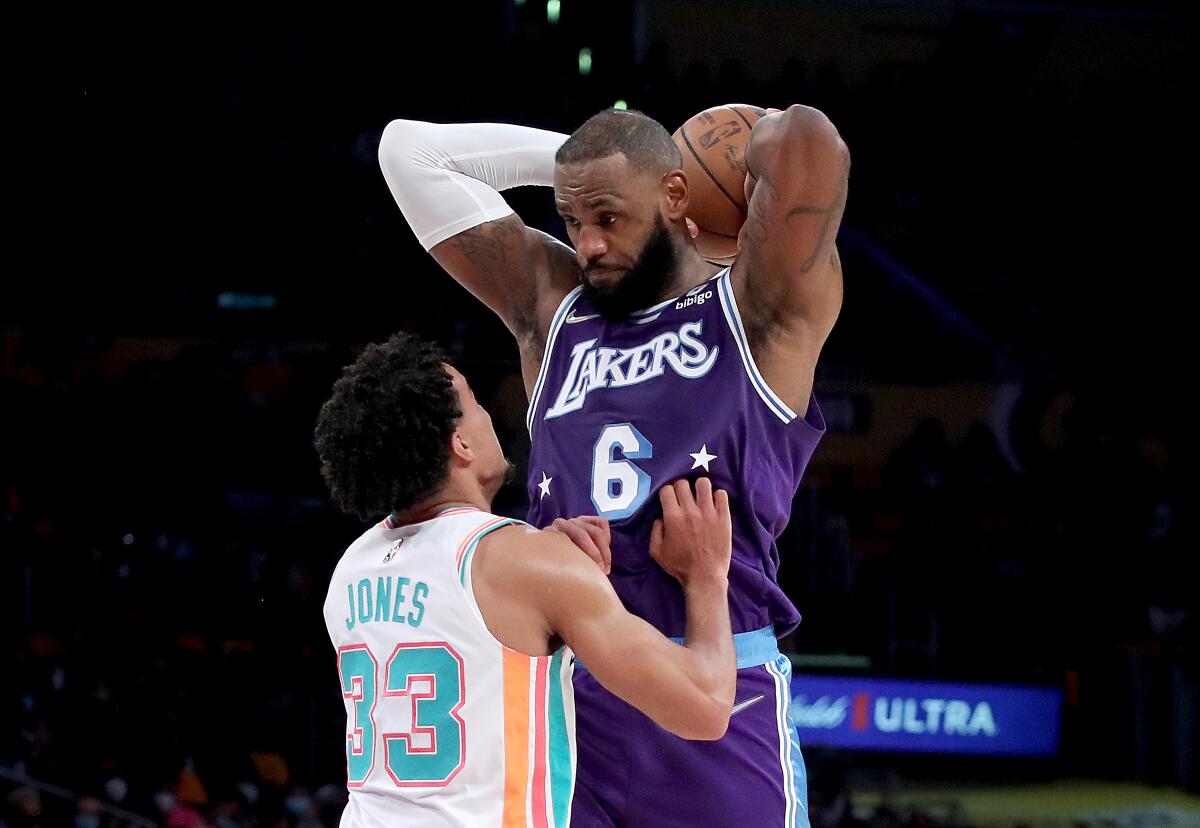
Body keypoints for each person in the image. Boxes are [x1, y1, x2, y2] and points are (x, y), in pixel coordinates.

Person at [379, 103, 848, 826]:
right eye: (572, 222)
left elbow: (810, 141)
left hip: (719, 683)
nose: (589, 244)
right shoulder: (553, 310)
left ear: (674, 196)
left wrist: (711, 146)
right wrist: (584, 160)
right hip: (572, 698)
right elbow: (408, 151)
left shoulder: (756, 310)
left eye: (608, 216)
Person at [313, 332, 736, 827]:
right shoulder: (523, 563)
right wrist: (707, 575)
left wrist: (541, 552)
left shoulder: (350, 570)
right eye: (474, 401)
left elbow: (464, 622)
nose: (489, 412)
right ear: (461, 444)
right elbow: (705, 708)